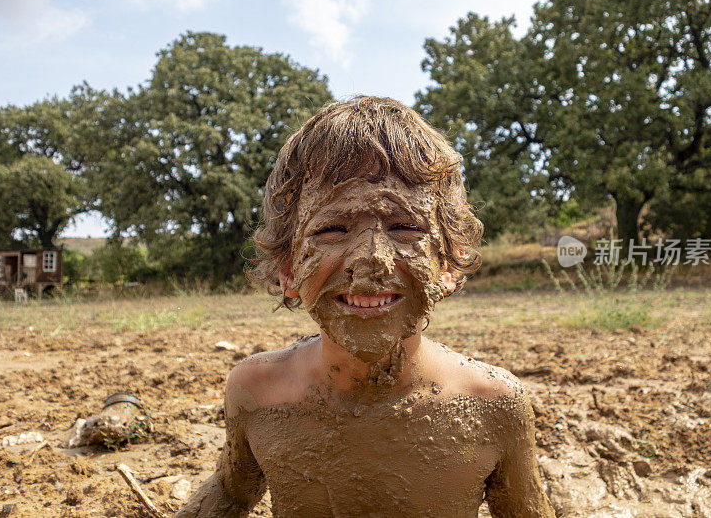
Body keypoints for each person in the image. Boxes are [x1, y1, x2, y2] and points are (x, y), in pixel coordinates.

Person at [176, 96, 554, 517]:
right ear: (288, 269)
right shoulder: (257, 392)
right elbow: (230, 493)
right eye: (333, 229)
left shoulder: (494, 405)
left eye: (405, 227)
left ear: (447, 262)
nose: (370, 260)